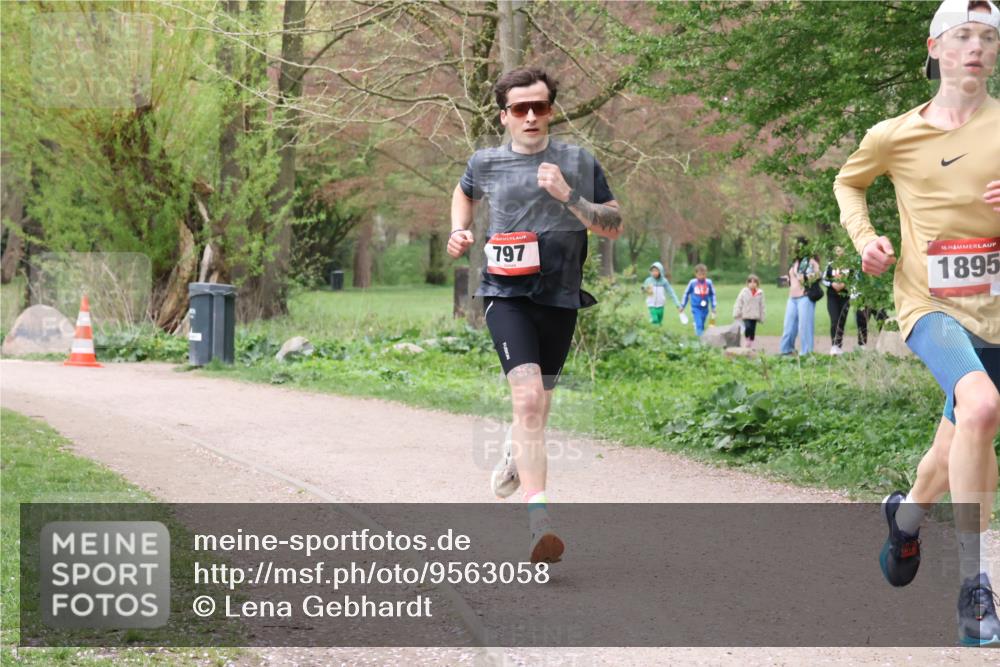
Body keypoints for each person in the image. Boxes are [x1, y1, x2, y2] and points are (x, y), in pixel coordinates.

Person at [833, 0, 1000, 645]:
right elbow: (849, 184)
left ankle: (905, 521)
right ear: (935, 48)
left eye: (988, 37)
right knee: (980, 407)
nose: (976, 47)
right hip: (931, 305)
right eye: (964, 35)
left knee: (958, 436)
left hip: (995, 308)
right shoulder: (894, 134)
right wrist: (866, 240)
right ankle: (975, 588)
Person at [447, 67, 622, 564]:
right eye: (519, 108)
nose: (530, 116)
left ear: (550, 111)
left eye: (539, 107)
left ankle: (514, 452)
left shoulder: (577, 161)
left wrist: (570, 196)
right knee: (527, 401)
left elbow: (613, 225)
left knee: (536, 411)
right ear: (504, 116)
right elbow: (463, 193)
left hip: (560, 297)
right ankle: (539, 521)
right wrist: (459, 230)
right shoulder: (486, 162)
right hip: (506, 294)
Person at [778, 238, 821, 356]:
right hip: (792, 298)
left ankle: (806, 353)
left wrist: (805, 277)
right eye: (797, 246)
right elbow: (792, 279)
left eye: (800, 246)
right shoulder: (795, 262)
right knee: (788, 326)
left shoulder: (811, 262)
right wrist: (786, 279)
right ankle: (786, 350)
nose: (797, 248)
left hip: (805, 297)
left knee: (804, 326)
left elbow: (817, 276)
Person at [822, 245, 853, 355]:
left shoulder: (850, 266)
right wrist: (832, 284)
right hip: (832, 296)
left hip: (845, 297)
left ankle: (839, 345)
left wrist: (845, 284)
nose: (839, 252)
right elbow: (824, 279)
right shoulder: (830, 265)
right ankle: (834, 345)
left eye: (841, 250)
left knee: (841, 320)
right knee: (834, 320)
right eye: (837, 250)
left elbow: (854, 280)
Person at [679, 264, 716, 336]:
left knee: (702, 323)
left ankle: (700, 334)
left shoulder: (709, 283)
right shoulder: (692, 283)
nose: (701, 276)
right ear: (696, 274)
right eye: (699, 275)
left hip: (705, 308)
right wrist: (682, 305)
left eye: (703, 274)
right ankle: (699, 338)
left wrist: (713, 306)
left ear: (706, 273)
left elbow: (712, 294)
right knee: (699, 323)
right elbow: (686, 294)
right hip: (696, 308)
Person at [732, 274, 765, 349]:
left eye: (754, 282)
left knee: (752, 330)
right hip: (746, 314)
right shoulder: (744, 292)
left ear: (757, 283)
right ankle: (747, 340)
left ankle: (751, 342)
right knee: (748, 327)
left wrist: (762, 316)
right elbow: (739, 302)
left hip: (755, 315)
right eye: (750, 282)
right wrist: (737, 312)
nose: (752, 284)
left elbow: (762, 305)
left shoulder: (760, 293)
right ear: (747, 283)